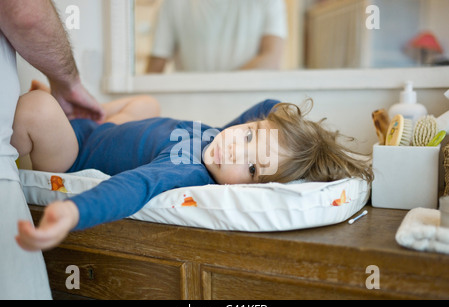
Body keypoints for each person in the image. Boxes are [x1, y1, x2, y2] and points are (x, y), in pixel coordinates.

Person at [12, 90, 373, 252]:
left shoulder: (185, 170)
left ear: (251, 187)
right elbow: (267, 107)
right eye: (249, 134)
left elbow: (134, 188)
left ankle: (58, 117)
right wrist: (311, 143)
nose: (236, 149)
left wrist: (73, 211)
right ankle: (80, 111)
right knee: (146, 103)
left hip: (74, 152)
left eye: (251, 167)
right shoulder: (222, 136)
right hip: (108, 129)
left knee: (36, 107)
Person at [0, 1, 104, 299]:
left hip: (73, 137)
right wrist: (67, 84)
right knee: (37, 107)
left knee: (37, 108)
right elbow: (26, 13)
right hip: (65, 138)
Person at [147, 0, 287, 73]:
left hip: (249, 103)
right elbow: (155, 66)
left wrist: (222, 86)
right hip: (191, 106)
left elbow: (271, 58)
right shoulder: (173, 3)